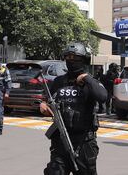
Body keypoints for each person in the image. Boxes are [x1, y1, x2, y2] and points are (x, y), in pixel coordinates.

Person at [40, 42, 107, 174]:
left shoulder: (90, 82)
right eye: (68, 58)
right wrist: (43, 107)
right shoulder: (59, 82)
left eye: (76, 58)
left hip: (84, 143)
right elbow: (47, 101)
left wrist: (87, 78)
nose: (71, 61)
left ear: (83, 60)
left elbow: (103, 96)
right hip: (60, 141)